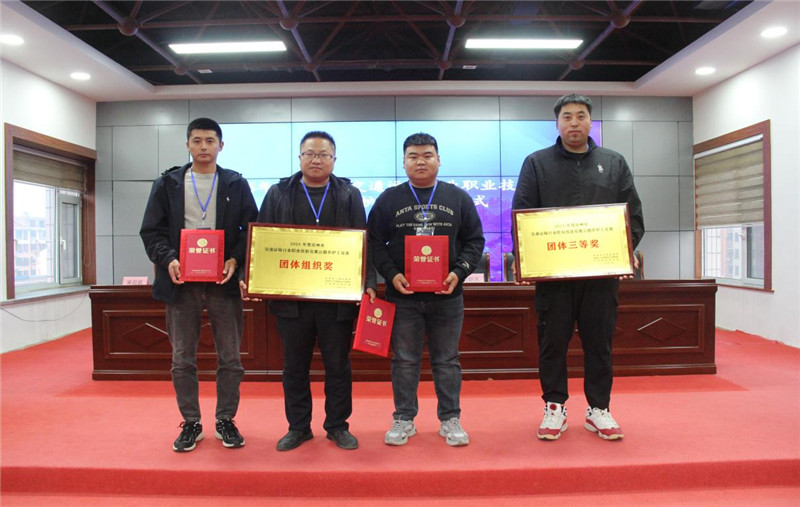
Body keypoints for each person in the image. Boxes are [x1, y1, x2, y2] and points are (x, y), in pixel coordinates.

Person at [511, 94, 644, 441]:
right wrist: (524, 259)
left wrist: (625, 250)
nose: (574, 123)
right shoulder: (536, 163)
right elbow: (522, 213)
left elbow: (633, 215)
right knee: (552, 342)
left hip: (600, 276)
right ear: (557, 123)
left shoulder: (613, 163)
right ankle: (554, 406)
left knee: (599, 343)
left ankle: (598, 408)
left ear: (590, 122)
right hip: (554, 277)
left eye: (581, 116)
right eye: (567, 116)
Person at [250, 131, 375, 451]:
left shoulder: (349, 194)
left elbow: (364, 240)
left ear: (334, 159)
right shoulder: (278, 193)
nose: (316, 160)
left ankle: (337, 426)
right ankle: (298, 427)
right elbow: (262, 240)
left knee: (338, 367)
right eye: (309, 154)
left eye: (323, 154)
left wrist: (369, 284)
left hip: (337, 300)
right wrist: (253, 277)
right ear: (299, 157)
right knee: (294, 368)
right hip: (292, 301)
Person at [140, 117, 258, 452]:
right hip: (181, 283)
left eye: (210, 141)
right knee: (182, 358)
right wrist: (168, 259)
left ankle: (225, 419)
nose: (203, 146)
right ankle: (191, 422)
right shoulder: (167, 184)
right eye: (197, 140)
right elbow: (151, 231)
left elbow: (251, 228)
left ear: (221, 145)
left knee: (231, 357)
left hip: (223, 282)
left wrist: (235, 259)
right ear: (187, 144)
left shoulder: (235, 183)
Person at [368, 133, 485, 447]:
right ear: (403, 161)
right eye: (413, 156)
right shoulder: (388, 200)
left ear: (439, 159)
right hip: (403, 297)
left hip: (447, 297)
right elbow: (375, 242)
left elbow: (475, 241)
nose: (420, 161)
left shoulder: (458, 198)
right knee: (405, 360)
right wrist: (391, 275)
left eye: (427, 155)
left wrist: (458, 272)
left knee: (447, 360)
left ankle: (450, 419)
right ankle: (404, 419)